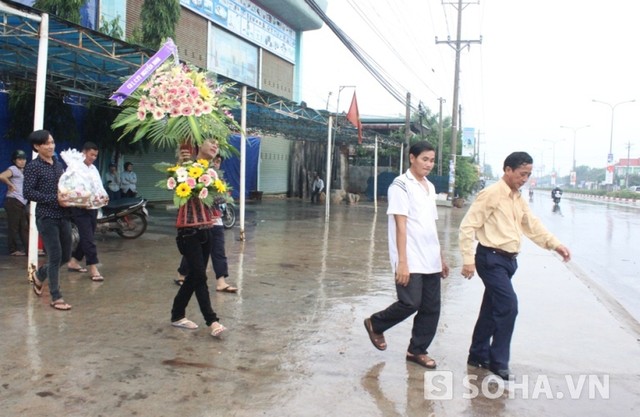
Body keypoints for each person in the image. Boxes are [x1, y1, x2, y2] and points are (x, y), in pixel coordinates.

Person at [459, 151, 571, 380]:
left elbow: (532, 225)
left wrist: (555, 244)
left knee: (492, 308)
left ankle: (477, 354)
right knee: (509, 306)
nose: (524, 178)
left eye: (528, 175)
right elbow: (468, 226)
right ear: (507, 170)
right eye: (522, 174)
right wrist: (468, 260)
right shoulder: (491, 194)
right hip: (490, 259)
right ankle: (498, 361)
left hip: (508, 262)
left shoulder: (517, 197)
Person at [363, 141, 449, 369]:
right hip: (409, 256)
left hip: (430, 256)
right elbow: (400, 226)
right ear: (412, 158)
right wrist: (402, 262)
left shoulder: (429, 187)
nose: (428, 165)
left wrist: (440, 257)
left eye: (432, 160)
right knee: (410, 302)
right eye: (424, 159)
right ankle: (376, 323)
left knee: (432, 307)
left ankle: (416, 350)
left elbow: (431, 225)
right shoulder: (400, 185)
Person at [171, 138, 227, 338]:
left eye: (217, 144)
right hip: (188, 231)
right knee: (200, 276)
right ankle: (212, 321)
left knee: (195, 275)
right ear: (198, 145)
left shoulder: (212, 171)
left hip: (207, 229)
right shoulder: (186, 166)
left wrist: (217, 189)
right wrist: (181, 164)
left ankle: (177, 314)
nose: (214, 146)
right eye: (211, 142)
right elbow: (175, 189)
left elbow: (219, 200)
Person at [23, 129, 73, 311]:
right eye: (47, 143)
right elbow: (28, 192)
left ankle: (39, 276)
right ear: (37, 147)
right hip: (47, 217)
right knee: (55, 256)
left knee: (66, 256)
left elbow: (65, 186)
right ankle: (56, 297)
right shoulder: (33, 167)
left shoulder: (58, 164)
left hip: (64, 215)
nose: (51, 146)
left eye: (52, 142)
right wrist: (54, 199)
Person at [175, 151, 238, 293]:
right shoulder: (197, 173)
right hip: (200, 222)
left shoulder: (217, 177)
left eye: (219, 161)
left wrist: (221, 194)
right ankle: (182, 273)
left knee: (219, 251)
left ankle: (221, 281)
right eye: (214, 160)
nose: (217, 163)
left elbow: (221, 197)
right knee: (195, 252)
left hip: (216, 220)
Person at [66, 142, 108, 281]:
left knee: (87, 236)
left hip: (93, 207)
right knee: (88, 238)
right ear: (83, 153)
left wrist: (103, 196)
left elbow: (98, 185)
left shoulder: (93, 169)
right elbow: (70, 187)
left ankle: (74, 261)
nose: (94, 157)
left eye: (96, 155)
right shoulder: (75, 168)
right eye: (91, 155)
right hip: (79, 207)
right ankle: (93, 267)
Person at [0, 150, 30, 256]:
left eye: (24, 159)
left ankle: (28, 249)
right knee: (14, 226)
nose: (22, 161)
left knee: (24, 226)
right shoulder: (13, 169)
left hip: (21, 202)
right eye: (19, 159)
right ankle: (13, 249)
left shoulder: (24, 171)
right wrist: (10, 184)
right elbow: (2, 176)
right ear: (14, 160)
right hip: (13, 201)